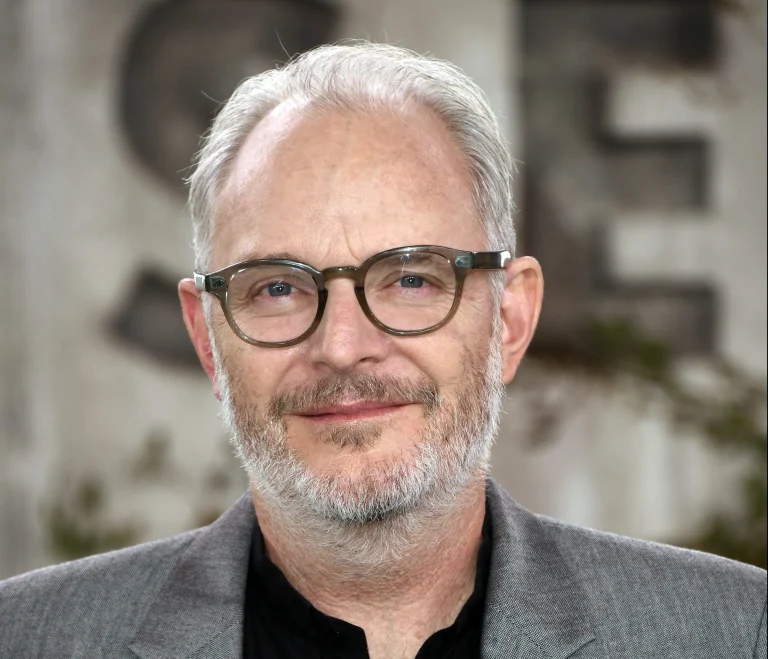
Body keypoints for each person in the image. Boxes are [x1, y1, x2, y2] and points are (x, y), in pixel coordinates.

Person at [0, 42, 765, 659]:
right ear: (207, 336)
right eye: (278, 287)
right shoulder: (27, 638)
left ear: (509, 319)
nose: (341, 346)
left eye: (409, 278)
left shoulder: (732, 633)